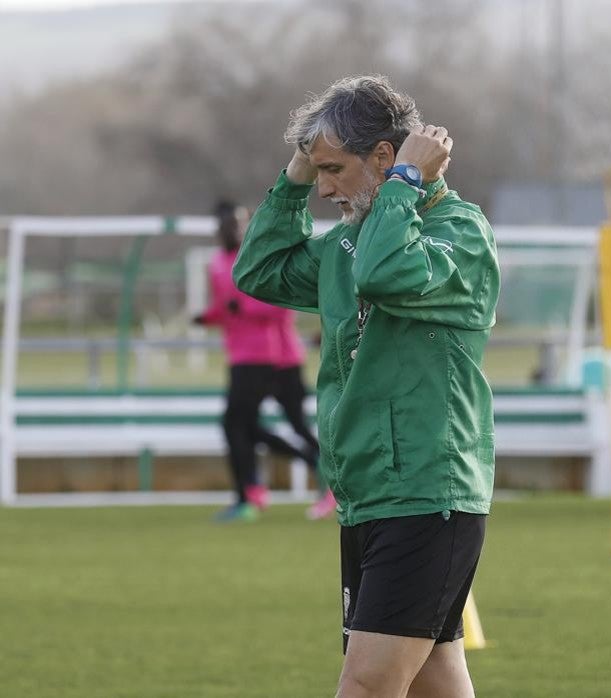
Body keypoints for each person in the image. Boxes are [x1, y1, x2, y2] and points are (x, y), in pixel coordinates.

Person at [234, 75, 499, 697]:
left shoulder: (460, 233)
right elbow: (259, 270)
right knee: (435, 680)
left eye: (333, 168)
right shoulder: (348, 242)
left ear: (385, 157)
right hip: (369, 494)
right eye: (316, 170)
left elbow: (384, 273)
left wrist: (404, 184)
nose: (323, 188)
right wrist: (295, 171)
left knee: (366, 686)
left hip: (428, 491)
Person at [196, 200, 321, 523]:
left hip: (267, 355)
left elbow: (278, 304)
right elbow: (227, 308)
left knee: (241, 424)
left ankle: (253, 493)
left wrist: (242, 309)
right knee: (242, 426)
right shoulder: (217, 264)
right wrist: (206, 318)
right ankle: (257, 490)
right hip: (240, 354)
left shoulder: (260, 257)